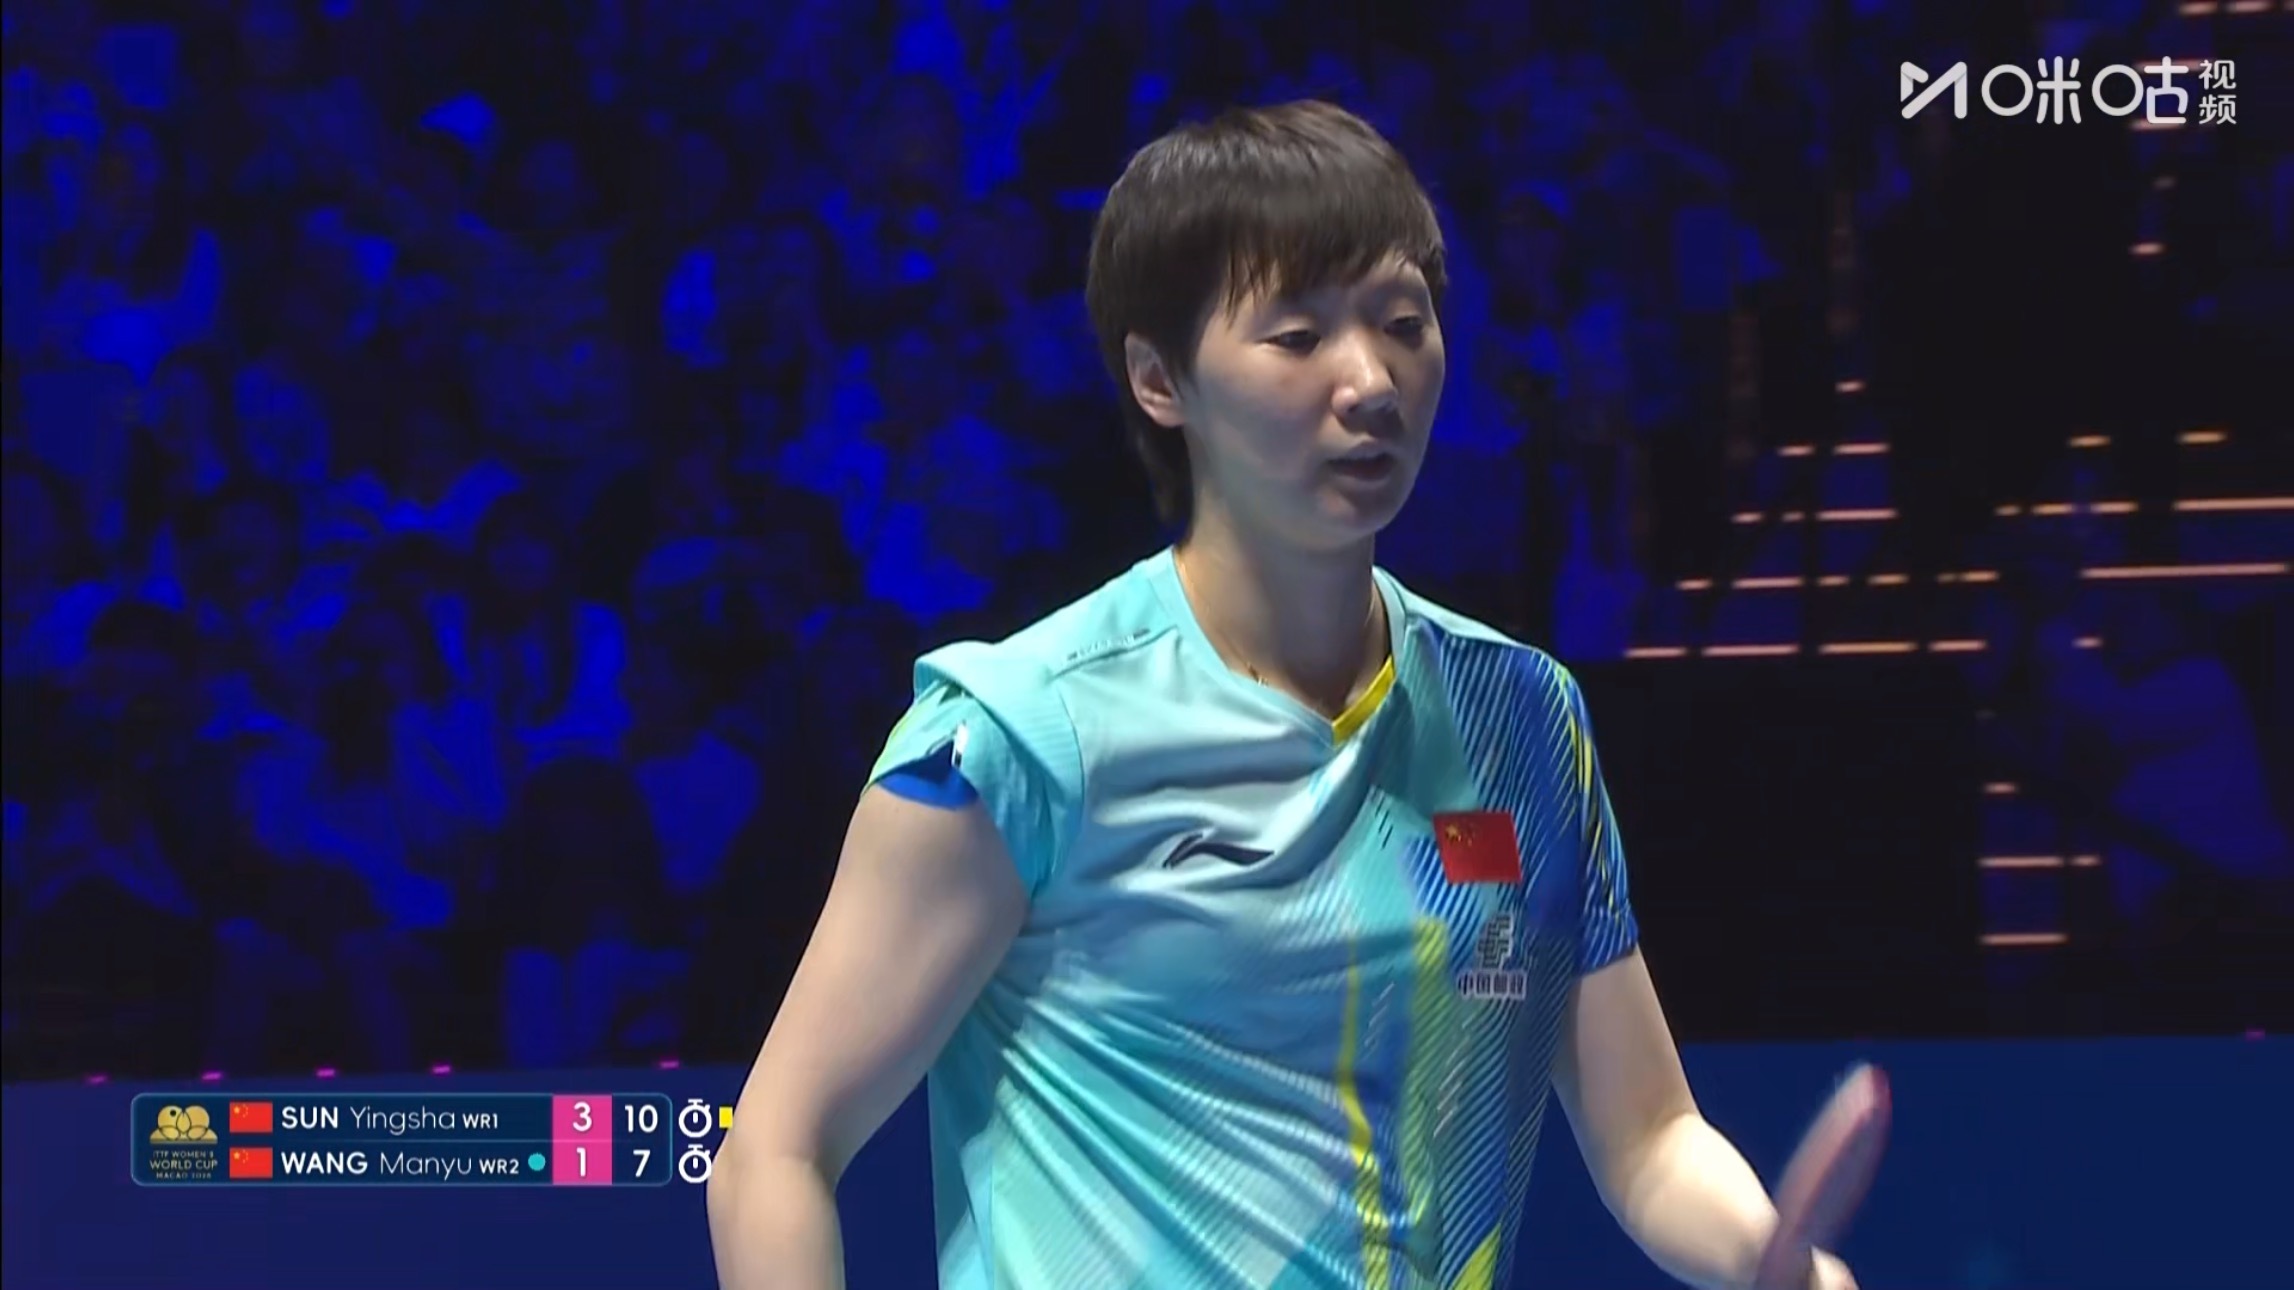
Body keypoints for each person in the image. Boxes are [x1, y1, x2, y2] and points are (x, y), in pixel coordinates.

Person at [709, 101, 1856, 1290]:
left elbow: (1650, 1139)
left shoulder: (1520, 719)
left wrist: (1782, 1264)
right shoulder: (1016, 738)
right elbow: (774, 1155)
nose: (1370, 382)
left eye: (1402, 324)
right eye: (1297, 336)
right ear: (1158, 379)